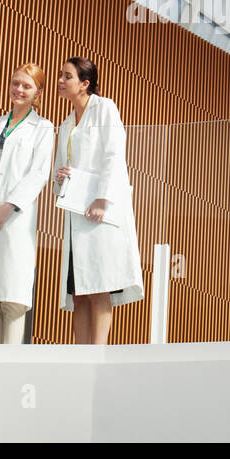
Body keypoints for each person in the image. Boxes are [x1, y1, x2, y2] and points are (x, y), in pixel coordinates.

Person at [53, 58, 144, 344]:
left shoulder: (105, 108)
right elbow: (62, 167)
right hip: (76, 211)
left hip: (99, 211)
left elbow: (113, 155)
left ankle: (99, 352)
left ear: (84, 84)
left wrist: (102, 198)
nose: (60, 80)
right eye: (60, 75)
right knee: (78, 290)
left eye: (67, 76)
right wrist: (61, 177)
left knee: (98, 285)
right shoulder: (67, 123)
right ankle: (80, 353)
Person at [0, 64, 55, 344]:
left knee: (12, 296)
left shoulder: (43, 128)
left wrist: (9, 205)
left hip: (15, 217)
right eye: (15, 83)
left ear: (38, 93)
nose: (19, 90)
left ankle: (10, 368)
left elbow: (39, 173)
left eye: (27, 86)